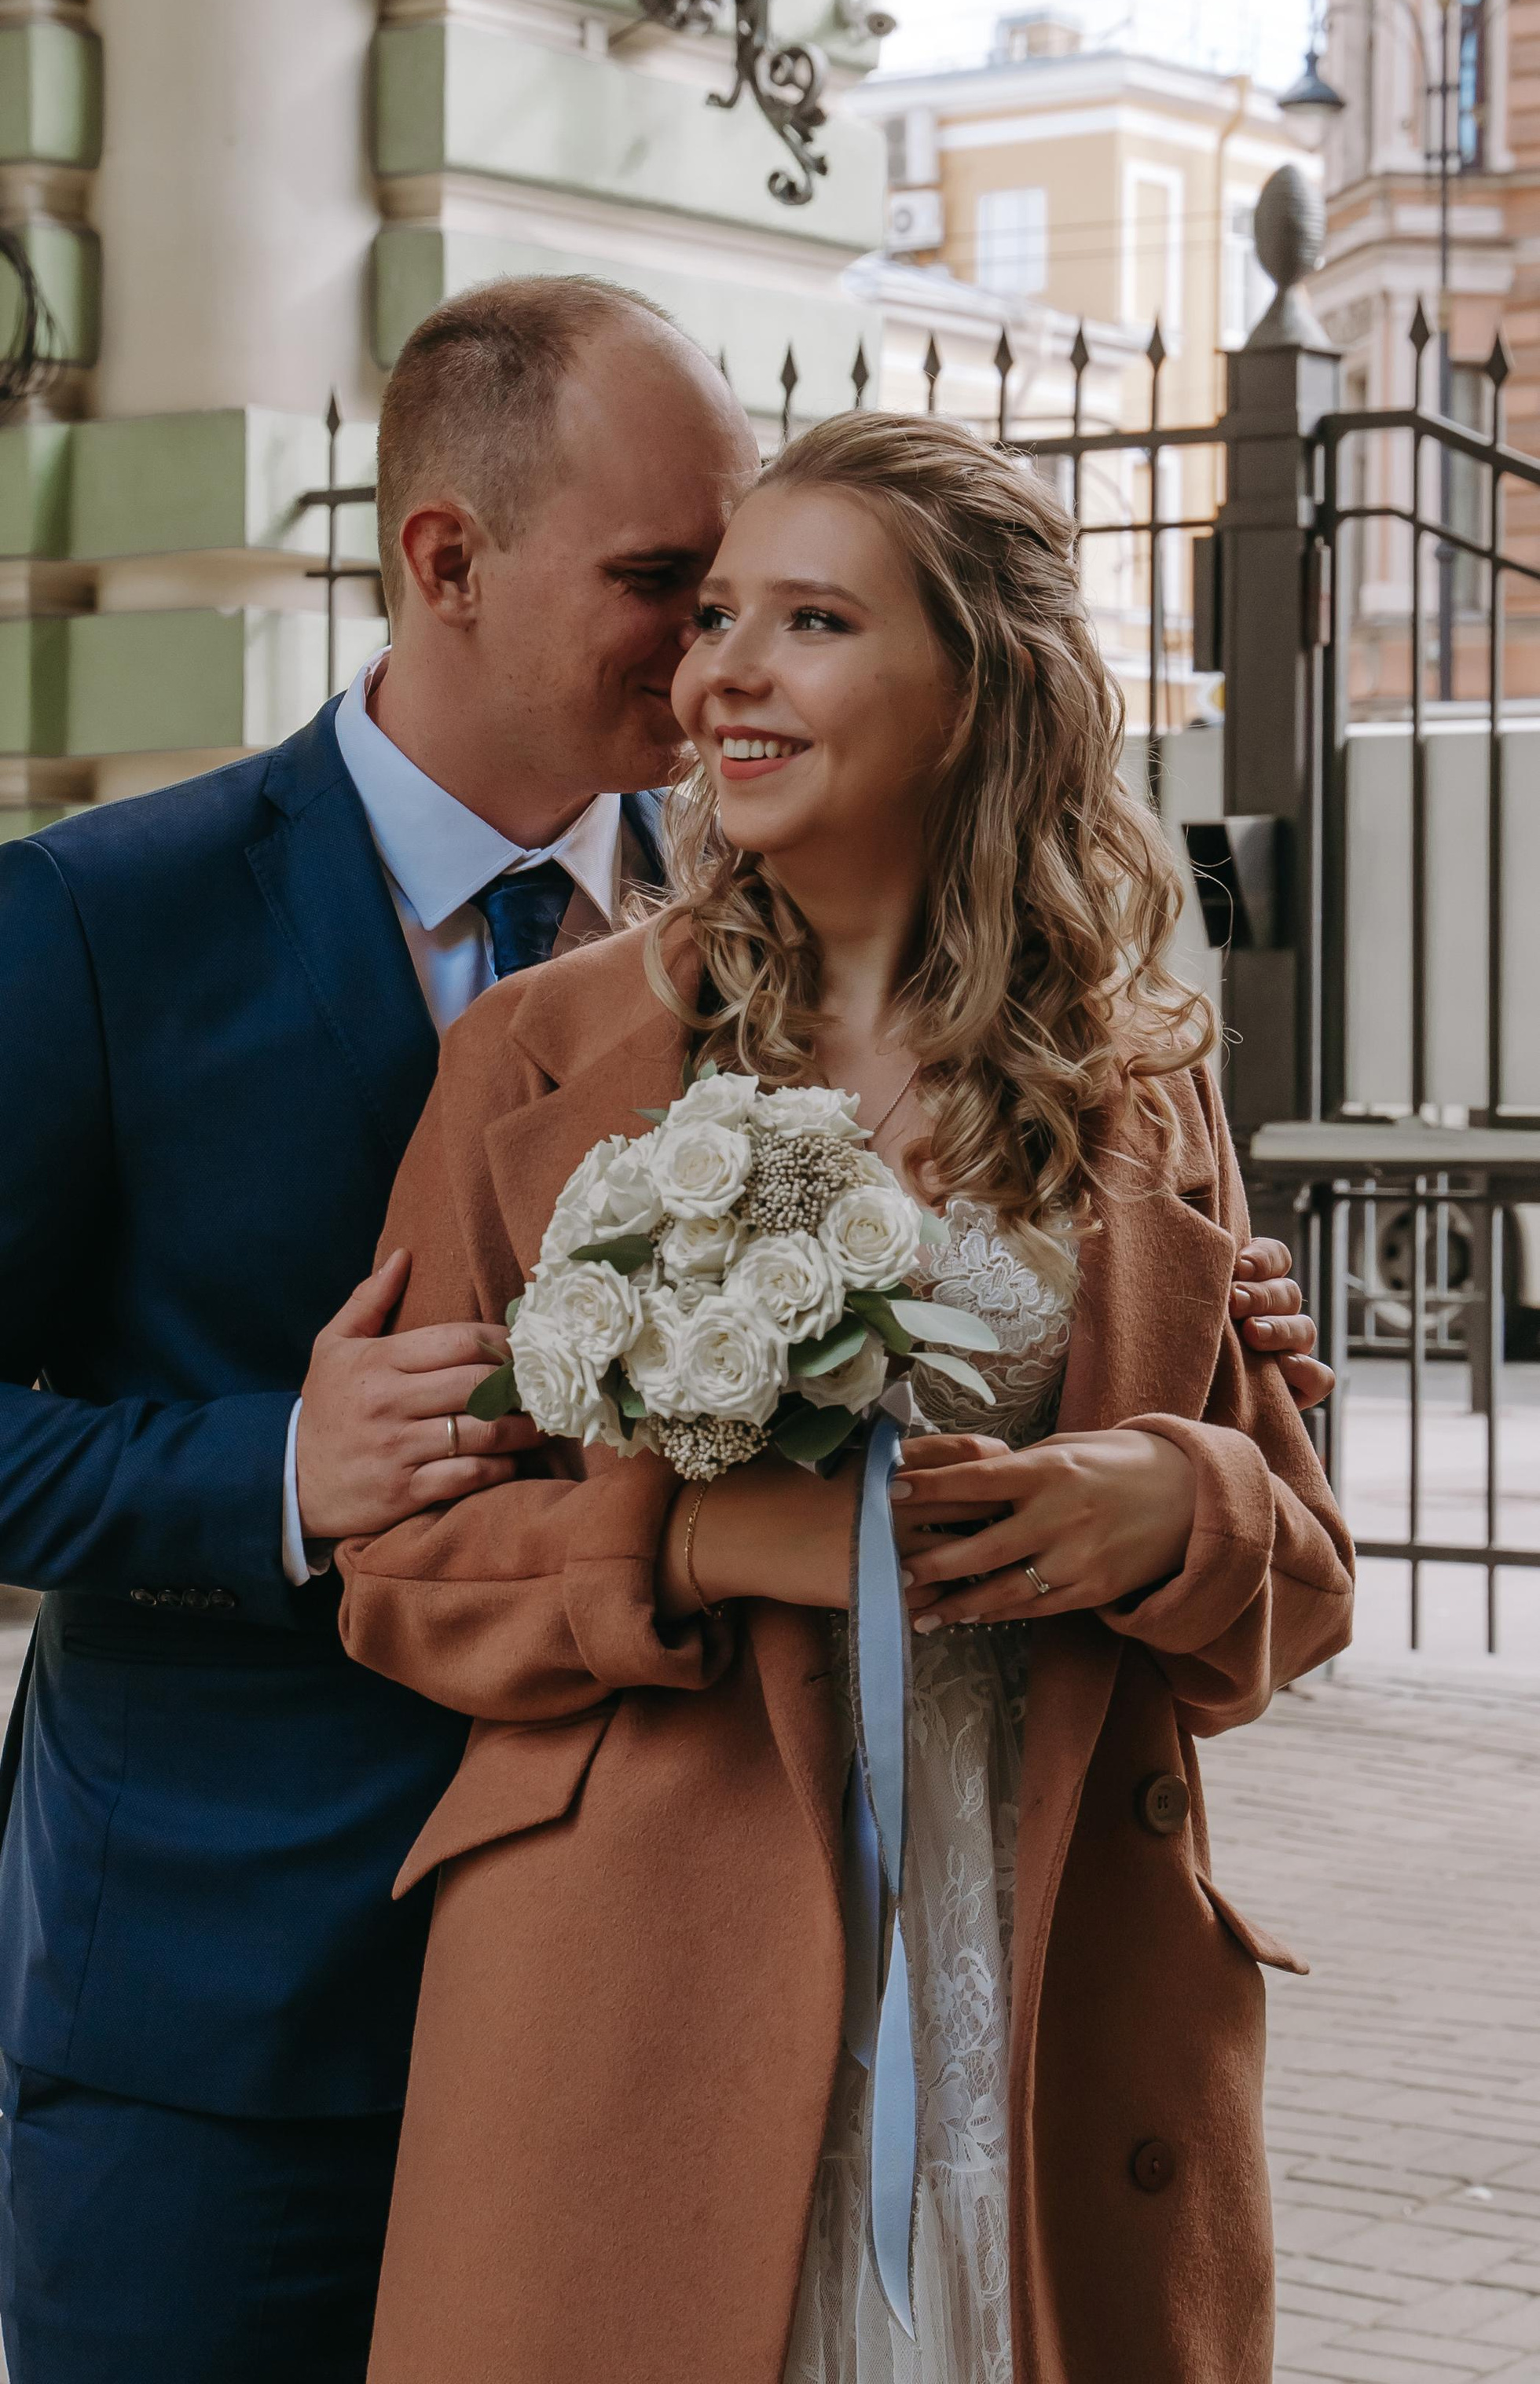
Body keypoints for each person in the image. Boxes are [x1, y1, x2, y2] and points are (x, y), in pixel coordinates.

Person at [0, 287, 1326, 2384]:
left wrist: (1194, 1457)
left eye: (772, 603)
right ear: (448, 562)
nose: (709, 658)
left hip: (765, 1975)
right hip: (238, 1988)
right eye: (674, 586)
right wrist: (280, 1471)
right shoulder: (112, 917)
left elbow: (1253, 1516)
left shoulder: (848, 937)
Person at [337, 412, 1354, 2384]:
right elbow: (399, 1565)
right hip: (644, 1996)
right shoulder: (535, 1059)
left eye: (810, 622)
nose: (722, 671)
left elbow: (1293, 1587)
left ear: (978, 691)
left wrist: (1174, 1499)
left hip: (1046, 1995)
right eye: (717, 615)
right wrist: (697, 1540)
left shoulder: (1137, 1080)